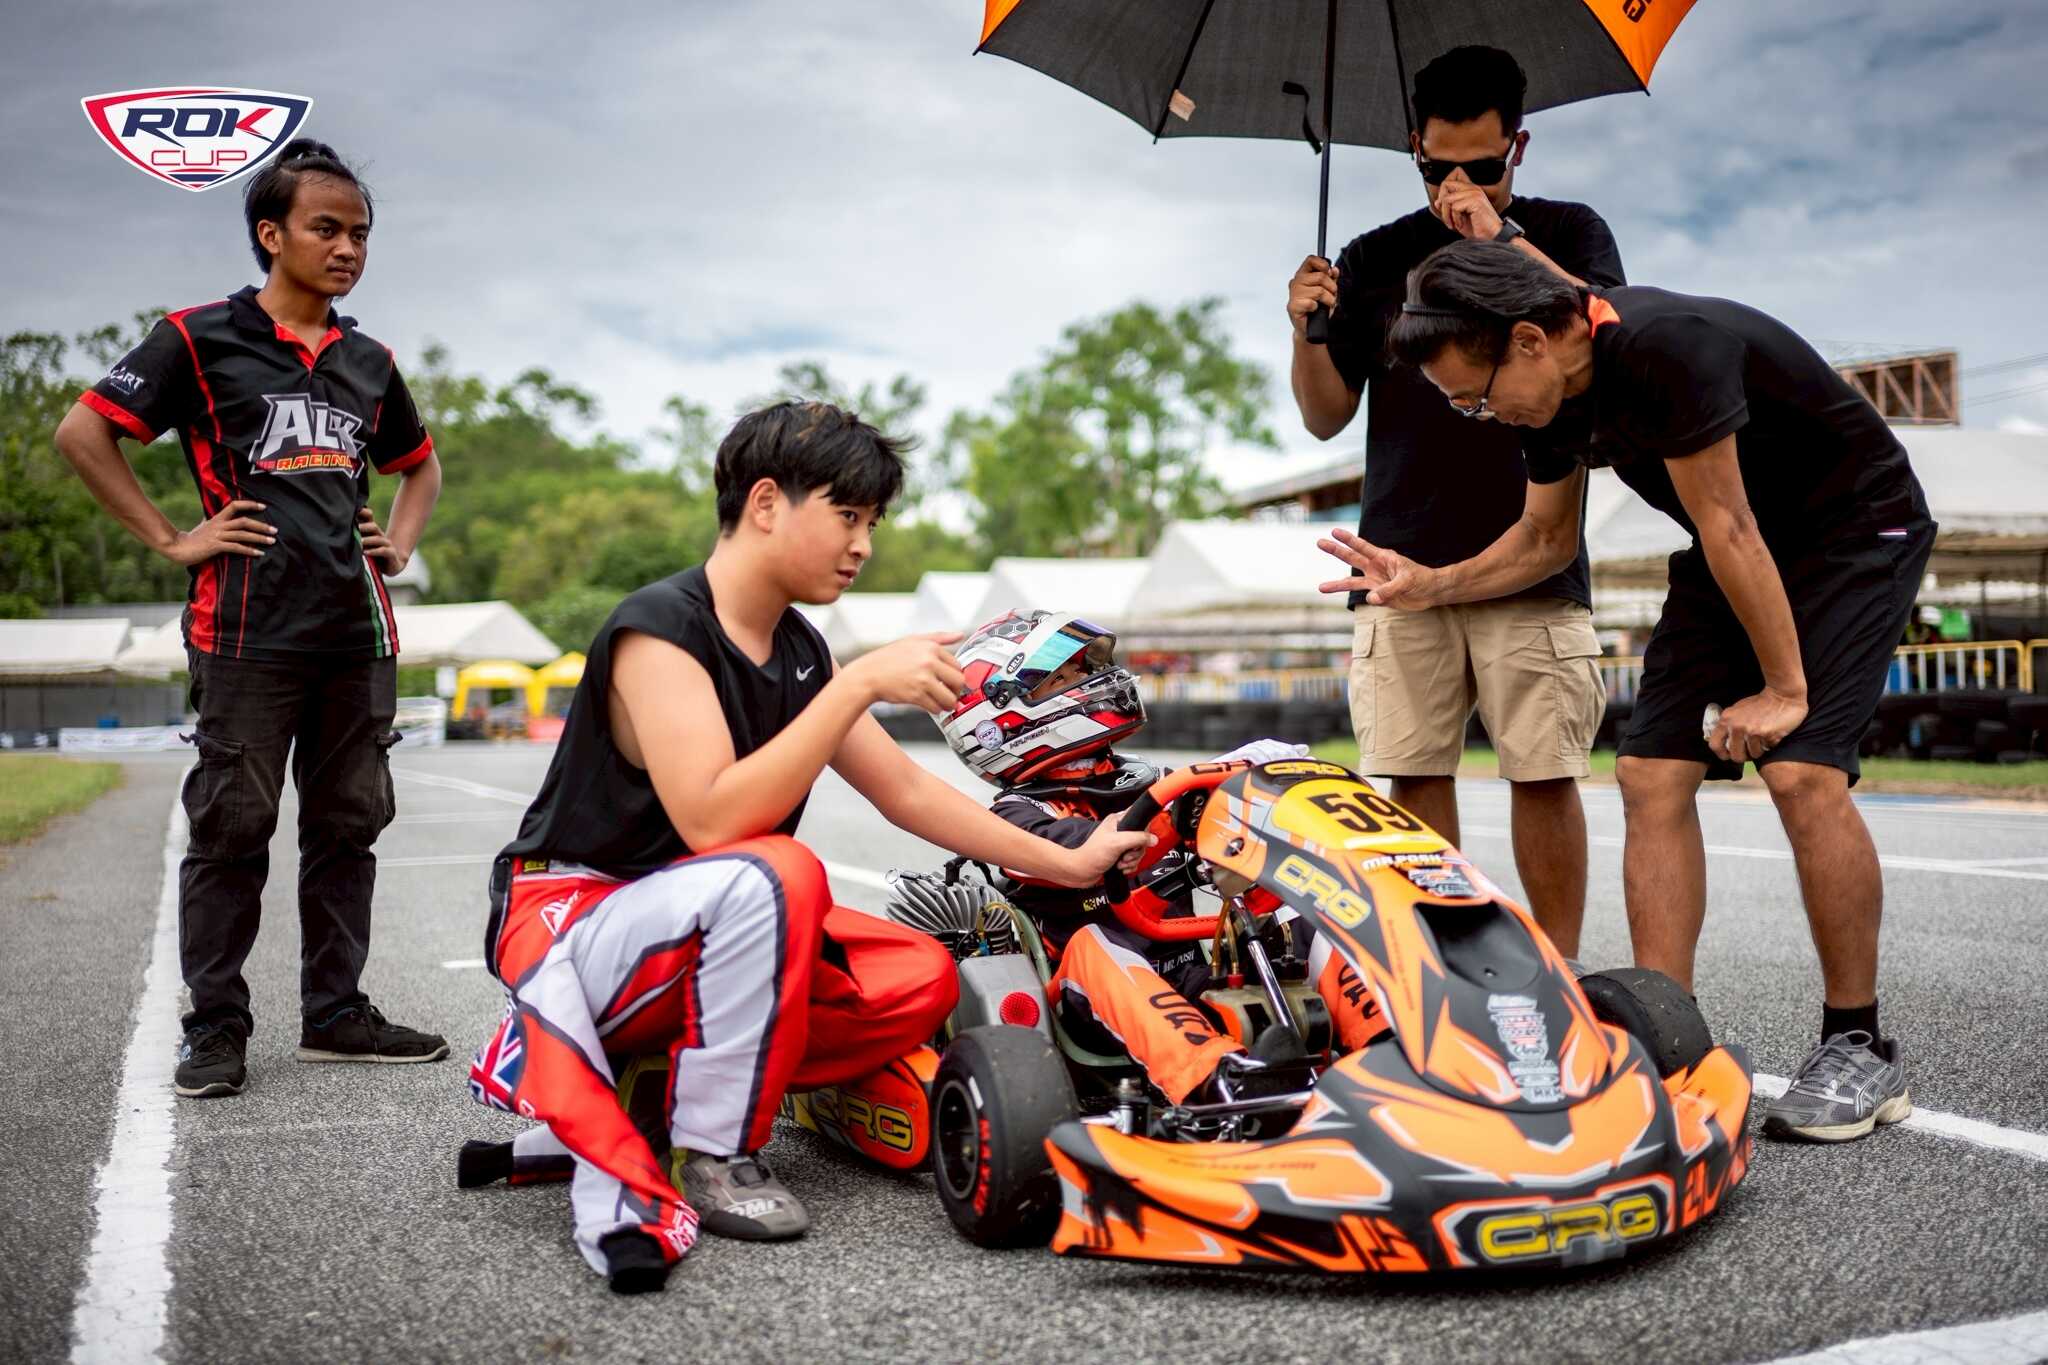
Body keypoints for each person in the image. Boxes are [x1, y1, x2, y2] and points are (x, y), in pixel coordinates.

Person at [458, 403, 1152, 1293]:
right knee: (782, 869)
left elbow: (906, 793)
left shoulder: (798, 649)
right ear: (765, 504)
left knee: (922, 974)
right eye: (848, 514)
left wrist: (1070, 859)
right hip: (573, 916)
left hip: (700, 927)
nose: (863, 544)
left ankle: (661, 1087)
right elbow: (714, 823)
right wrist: (857, 683)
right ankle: (714, 1150)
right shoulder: (659, 629)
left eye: (873, 522)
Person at [1322, 238, 1935, 1143]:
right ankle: (1667, 1036)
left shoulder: (1665, 349)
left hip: (1851, 531)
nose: (1478, 417)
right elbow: (1544, 541)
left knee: (1802, 772)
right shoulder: (1547, 399)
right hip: (1735, 544)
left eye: (1475, 397)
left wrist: (1783, 688)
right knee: (1649, 773)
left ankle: (1860, 1045)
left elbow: (1730, 523)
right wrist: (1431, 583)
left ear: (1529, 341)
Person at [54, 139, 446, 1100]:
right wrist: (171, 538)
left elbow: (420, 466)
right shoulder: (197, 338)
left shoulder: (369, 360)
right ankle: (216, 1027)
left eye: (360, 233)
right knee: (233, 827)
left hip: (356, 634)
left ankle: (336, 1014)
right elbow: (84, 430)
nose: (347, 248)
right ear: (271, 234)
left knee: (348, 827)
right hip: (244, 633)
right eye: (326, 229)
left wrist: (397, 543)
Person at [1285, 45, 1624, 959]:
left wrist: (1497, 239)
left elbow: (1608, 332)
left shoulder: (1567, 231)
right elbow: (1323, 416)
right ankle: (1440, 967)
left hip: (1532, 548)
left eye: (1482, 164)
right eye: (1438, 169)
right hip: (1400, 555)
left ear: (1519, 147)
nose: (1458, 184)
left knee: (1543, 772)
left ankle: (1559, 966)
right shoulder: (1373, 256)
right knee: (1413, 770)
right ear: (1414, 148)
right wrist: (1308, 330)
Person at [937, 610, 1389, 1107]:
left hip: (1191, 971)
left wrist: (1256, 787)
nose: (1089, 681)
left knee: (1299, 909)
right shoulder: (1015, 815)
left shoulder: (1143, 781)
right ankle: (1214, 1079)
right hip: (1091, 995)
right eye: (1063, 678)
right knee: (1094, 943)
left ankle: (1386, 1044)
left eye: (1083, 670)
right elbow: (1079, 847)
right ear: (1000, 721)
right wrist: (1170, 812)